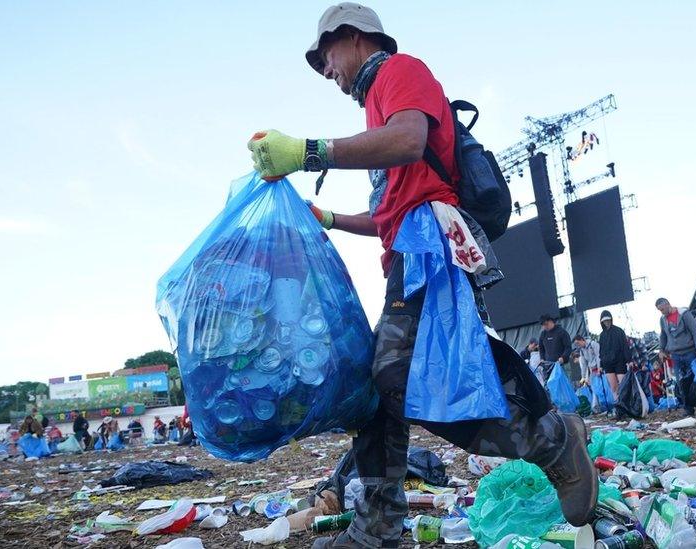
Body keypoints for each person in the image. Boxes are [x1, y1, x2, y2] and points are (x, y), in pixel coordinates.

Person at [250, 5, 597, 545]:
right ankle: (380, 523)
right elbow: (390, 210)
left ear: (354, 37)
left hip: (430, 249)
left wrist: (309, 152)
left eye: (326, 56)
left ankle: (551, 441)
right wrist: (329, 219)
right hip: (407, 252)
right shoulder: (375, 107)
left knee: (397, 380)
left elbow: (410, 141)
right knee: (379, 387)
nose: (326, 71)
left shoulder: (399, 70)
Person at [656, 298, 696, 416]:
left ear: (668, 304)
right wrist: (661, 349)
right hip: (675, 354)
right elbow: (663, 335)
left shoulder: (684, 314)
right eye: (660, 310)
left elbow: (695, 331)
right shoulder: (663, 320)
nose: (662, 312)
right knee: (681, 382)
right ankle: (688, 409)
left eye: (663, 309)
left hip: (690, 351)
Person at [599, 310, 631, 397]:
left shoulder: (619, 331)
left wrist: (629, 360)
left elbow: (625, 346)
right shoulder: (602, 335)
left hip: (619, 361)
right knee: (613, 387)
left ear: (611, 319)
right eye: (604, 321)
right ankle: (618, 405)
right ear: (602, 322)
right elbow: (601, 351)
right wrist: (601, 365)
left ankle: (626, 405)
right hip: (607, 364)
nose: (606, 322)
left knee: (623, 384)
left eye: (608, 320)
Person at [538, 315, 574, 384]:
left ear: (551, 321)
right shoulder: (543, 334)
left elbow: (568, 347)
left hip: (563, 365)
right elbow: (541, 348)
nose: (545, 327)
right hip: (549, 367)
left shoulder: (562, 332)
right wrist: (542, 358)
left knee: (566, 385)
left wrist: (563, 357)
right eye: (543, 325)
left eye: (546, 324)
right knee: (552, 388)